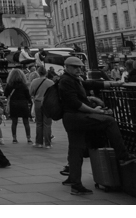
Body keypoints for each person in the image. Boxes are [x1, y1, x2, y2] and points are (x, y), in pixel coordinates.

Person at [58, 55, 136, 196]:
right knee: (109, 121)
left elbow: (93, 84)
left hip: (72, 119)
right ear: (67, 67)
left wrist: (113, 84)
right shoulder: (66, 81)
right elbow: (75, 103)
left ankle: (75, 183)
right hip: (76, 118)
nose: (78, 69)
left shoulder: (74, 80)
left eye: (80, 67)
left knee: (76, 150)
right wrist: (94, 110)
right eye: (75, 67)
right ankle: (123, 155)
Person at [4, 67, 33, 144]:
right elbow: (28, 95)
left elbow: (5, 94)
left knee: (14, 122)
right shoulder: (24, 85)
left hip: (13, 103)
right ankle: (29, 138)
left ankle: (14, 138)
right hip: (23, 103)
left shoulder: (9, 85)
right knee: (26, 122)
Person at [29, 65, 53, 148]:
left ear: (38, 73)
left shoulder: (34, 81)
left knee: (39, 123)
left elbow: (31, 92)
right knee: (47, 124)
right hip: (48, 103)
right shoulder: (50, 82)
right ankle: (48, 143)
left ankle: (38, 142)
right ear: (46, 73)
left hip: (38, 102)